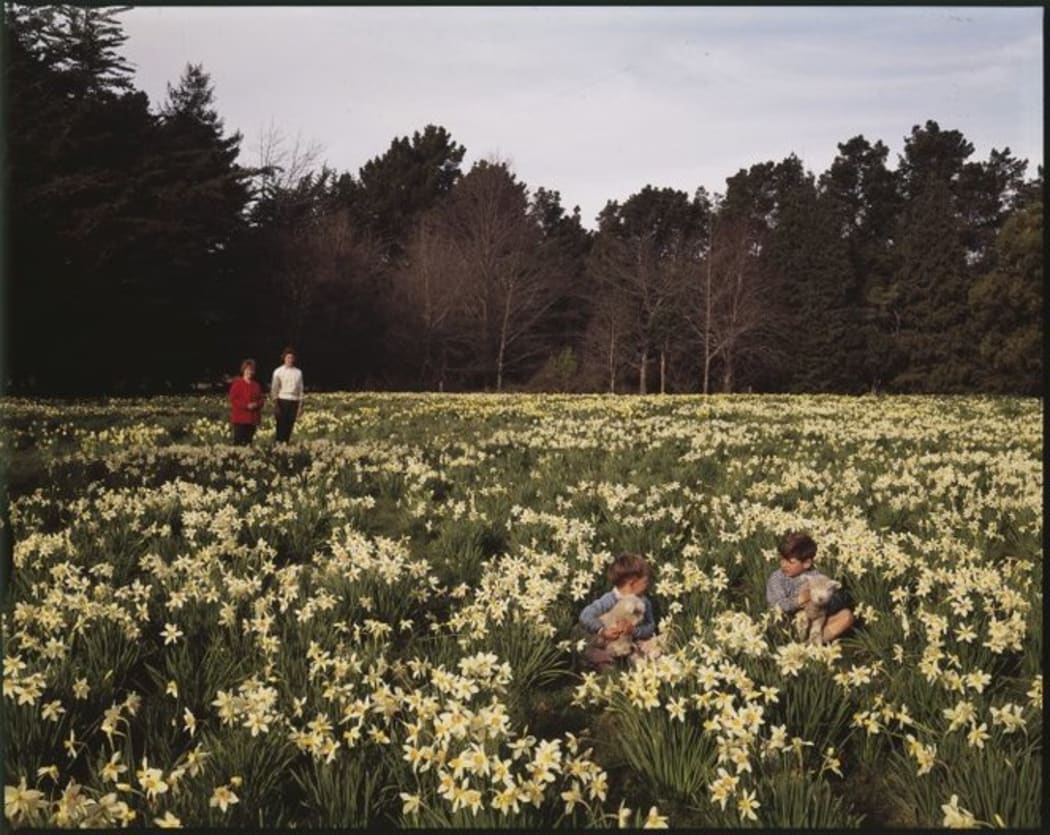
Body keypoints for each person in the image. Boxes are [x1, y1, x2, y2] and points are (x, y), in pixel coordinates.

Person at [766, 531, 855, 642]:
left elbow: (833, 600)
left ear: (807, 563)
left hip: (815, 621)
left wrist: (823, 600)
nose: (784, 565)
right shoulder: (777, 578)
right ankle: (799, 644)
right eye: (782, 560)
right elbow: (777, 607)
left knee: (846, 616)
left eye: (790, 562)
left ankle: (811, 645)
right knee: (801, 620)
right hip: (788, 626)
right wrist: (800, 600)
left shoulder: (816, 577)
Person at [578, 553, 657, 671]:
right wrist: (603, 631)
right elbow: (585, 615)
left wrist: (634, 631)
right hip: (607, 642)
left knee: (648, 648)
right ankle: (605, 662)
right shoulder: (610, 599)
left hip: (631, 643)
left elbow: (650, 626)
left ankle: (632, 661)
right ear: (632, 583)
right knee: (591, 649)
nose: (648, 585)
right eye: (645, 581)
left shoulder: (644, 602)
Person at [271, 347, 304, 443]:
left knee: (289, 427)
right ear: (284, 358)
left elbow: (300, 389)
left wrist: (300, 406)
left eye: (291, 357)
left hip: (294, 401)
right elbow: (274, 389)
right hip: (282, 401)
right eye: (288, 357)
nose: (289, 359)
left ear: (294, 359)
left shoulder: (298, 372)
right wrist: (276, 404)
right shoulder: (278, 371)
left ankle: (286, 448)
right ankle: (278, 448)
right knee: (281, 427)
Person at [228, 358, 264, 446]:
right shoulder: (237, 383)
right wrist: (246, 406)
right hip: (240, 418)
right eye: (247, 370)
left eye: (251, 370)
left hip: (252, 419)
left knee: (248, 443)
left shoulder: (256, 385)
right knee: (238, 443)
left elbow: (261, 400)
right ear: (243, 370)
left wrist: (256, 404)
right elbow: (233, 399)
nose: (249, 372)